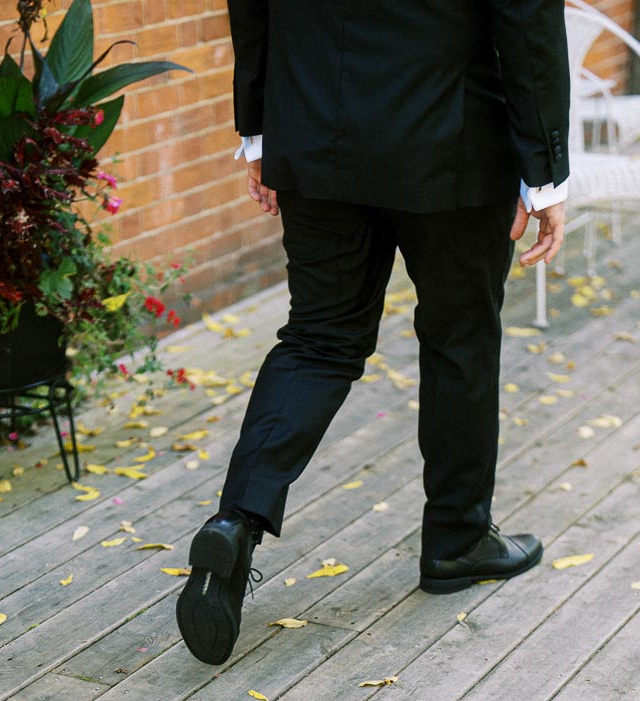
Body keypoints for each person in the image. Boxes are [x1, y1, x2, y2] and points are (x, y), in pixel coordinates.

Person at [176, 0, 570, 666]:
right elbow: (526, 20)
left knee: (318, 339)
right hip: (452, 140)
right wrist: (547, 171)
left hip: (315, 131)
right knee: (460, 339)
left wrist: (260, 131)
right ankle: (457, 539)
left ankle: (235, 522)